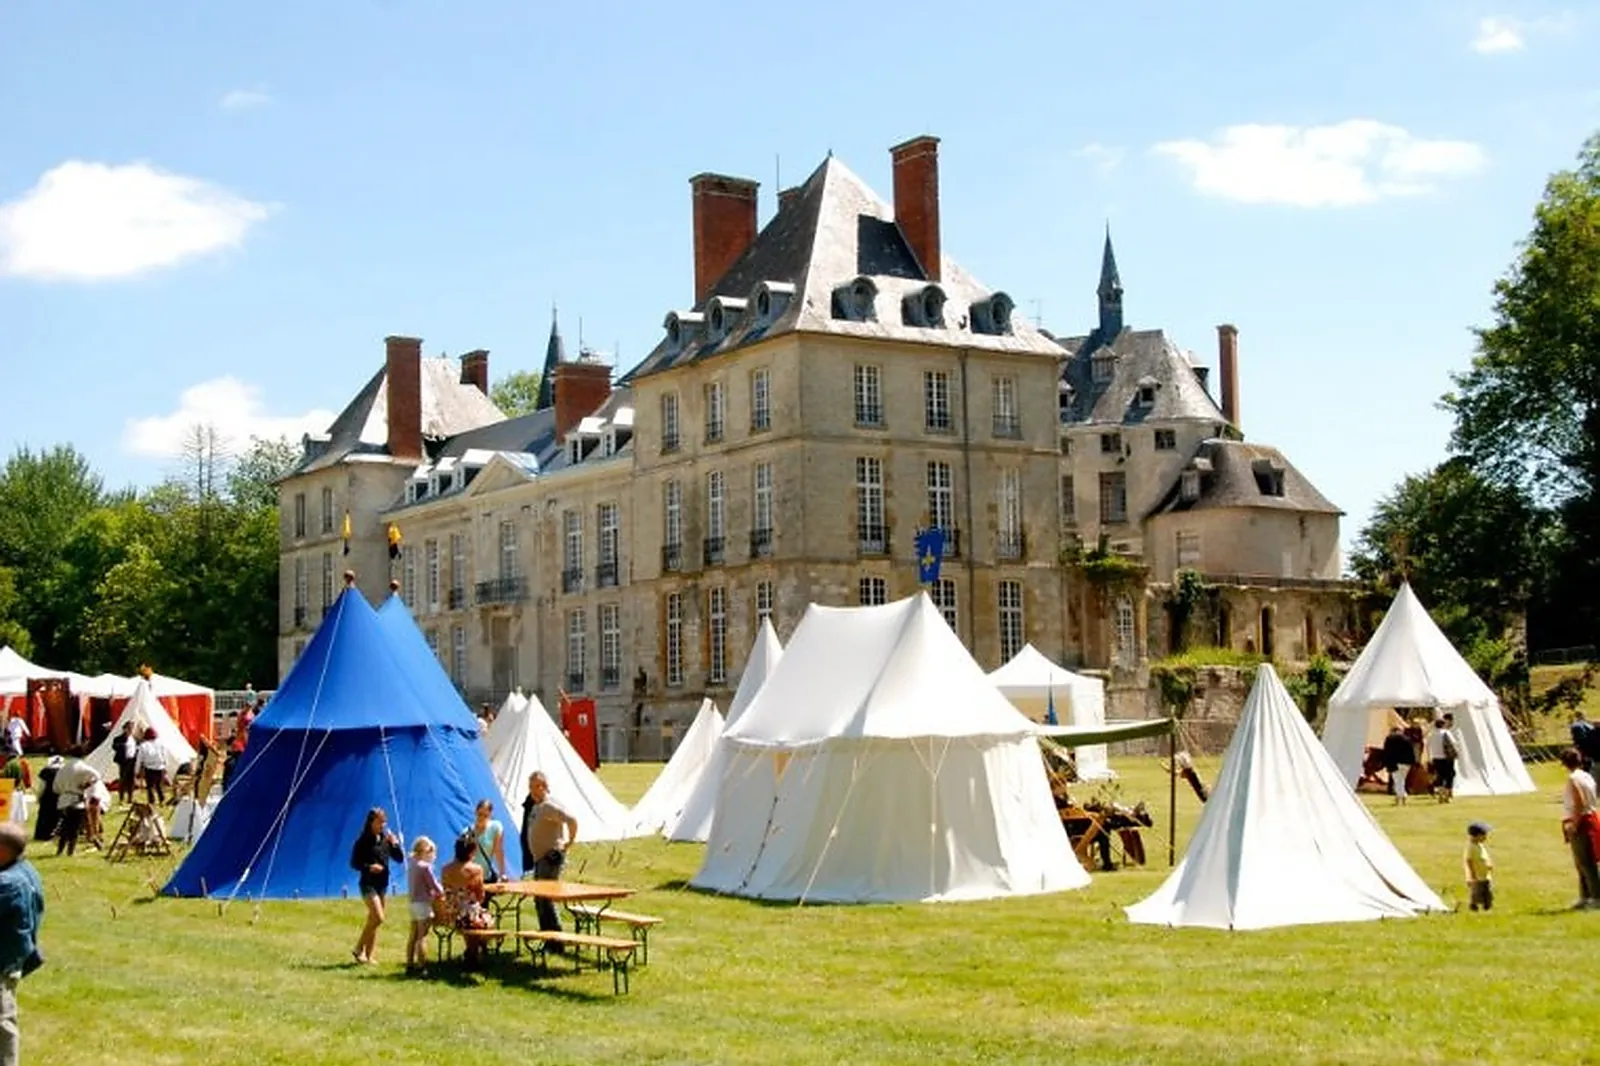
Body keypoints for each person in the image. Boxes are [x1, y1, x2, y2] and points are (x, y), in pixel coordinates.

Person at [0, 822, 45, 1066]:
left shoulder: (8, 884)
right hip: (15, 957)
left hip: (3, 962)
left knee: (2, 1025)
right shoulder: (25, 869)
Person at [521, 772, 577, 939]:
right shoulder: (536, 806)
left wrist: (569, 842)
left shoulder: (549, 806)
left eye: (537, 786)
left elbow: (572, 820)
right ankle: (547, 935)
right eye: (531, 787)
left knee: (546, 898)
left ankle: (555, 937)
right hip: (539, 859)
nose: (533, 790)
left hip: (550, 858)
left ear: (545, 786)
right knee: (540, 899)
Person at [349, 808, 403, 963]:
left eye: (384, 821)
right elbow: (354, 863)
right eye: (380, 821)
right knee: (378, 917)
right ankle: (359, 948)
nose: (383, 824)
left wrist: (395, 844)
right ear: (371, 822)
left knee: (373, 920)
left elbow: (399, 858)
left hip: (382, 885)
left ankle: (368, 955)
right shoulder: (362, 841)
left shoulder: (386, 839)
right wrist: (369, 867)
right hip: (368, 884)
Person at [440, 833, 493, 969]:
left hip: (449, 912)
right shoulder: (476, 870)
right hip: (467, 915)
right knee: (485, 919)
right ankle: (473, 953)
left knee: (472, 916)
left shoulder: (445, 869)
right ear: (472, 851)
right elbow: (481, 896)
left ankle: (471, 952)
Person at [1560, 748, 1600, 910]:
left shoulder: (1573, 779)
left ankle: (1596, 897)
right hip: (1590, 817)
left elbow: (1580, 802)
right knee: (1581, 861)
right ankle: (1585, 895)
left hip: (1581, 821)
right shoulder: (1587, 775)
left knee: (1586, 862)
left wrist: (1574, 825)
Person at [51, 749, 99, 857]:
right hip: (76, 801)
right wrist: (87, 785)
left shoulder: (62, 769)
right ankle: (70, 852)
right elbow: (97, 775)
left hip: (63, 800)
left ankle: (60, 851)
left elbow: (55, 788)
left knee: (64, 828)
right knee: (74, 829)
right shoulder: (82, 767)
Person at [405, 837, 442, 973]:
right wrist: (442, 891)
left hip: (413, 903)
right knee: (422, 936)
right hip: (423, 903)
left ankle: (409, 964)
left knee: (413, 935)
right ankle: (422, 966)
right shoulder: (425, 867)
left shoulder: (412, 865)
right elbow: (435, 886)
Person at [468, 799, 507, 883]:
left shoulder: (496, 827)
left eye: (485, 815)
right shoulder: (468, 832)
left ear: (490, 815)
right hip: (471, 878)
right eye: (480, 814)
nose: (481, 817)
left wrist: (502, 873)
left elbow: (498, 850)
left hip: (486, 877)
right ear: (475, 812)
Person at [1382, 724, 1415, 806]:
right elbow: (1411, 751)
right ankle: (1400, 797)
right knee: (1402, 780)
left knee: (1397, 781)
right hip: (1406, 763)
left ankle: (1402, 796)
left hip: (1394, 763)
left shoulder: (1389, 739)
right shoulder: (1407, 739)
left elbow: (1386, 752)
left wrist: (1386, 763)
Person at [1464, 822, 1493, 912]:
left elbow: (1484, 857)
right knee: (1477, 893)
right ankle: (1474, 907)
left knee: (1487, 893)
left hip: (1485, 875)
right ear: (1476, 836)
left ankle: (1487, 907)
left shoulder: (1480, 845)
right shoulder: (1471, 847)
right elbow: (1469, 861)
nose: (1485, 837)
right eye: (1483, 835)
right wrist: (1472, 875)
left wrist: (1489, 865)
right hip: (1477, 877)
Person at [31, 759, 61, 844]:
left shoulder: (46, 771)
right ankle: (54, 835)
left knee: (44, 816)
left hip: (47, 797)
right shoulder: (63, 770)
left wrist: (38, 797)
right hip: (58, 796)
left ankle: (42, 835)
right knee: (56, 816)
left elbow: (42, 786)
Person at [136, 727, 167, 806]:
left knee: (150, 786)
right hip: (160, 766)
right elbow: (165, 755)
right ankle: (162, 800)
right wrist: (165, 765)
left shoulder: (143, 746)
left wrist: (136, 770)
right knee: (159, 785)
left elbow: (139, 759)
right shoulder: (161, 744)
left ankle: (152, 802)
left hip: (150, 768)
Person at [112, 721, 139, 806]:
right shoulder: (118, 738)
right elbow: (114, 746)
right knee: (123, 779)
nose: (130, 730)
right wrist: (124, 745)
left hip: (132, 760)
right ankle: (121, 798)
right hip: (124, 761)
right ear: (125, 729)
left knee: (131, 779)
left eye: (131, 729)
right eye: (129, 728)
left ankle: (130, 797)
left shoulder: (134, 738)